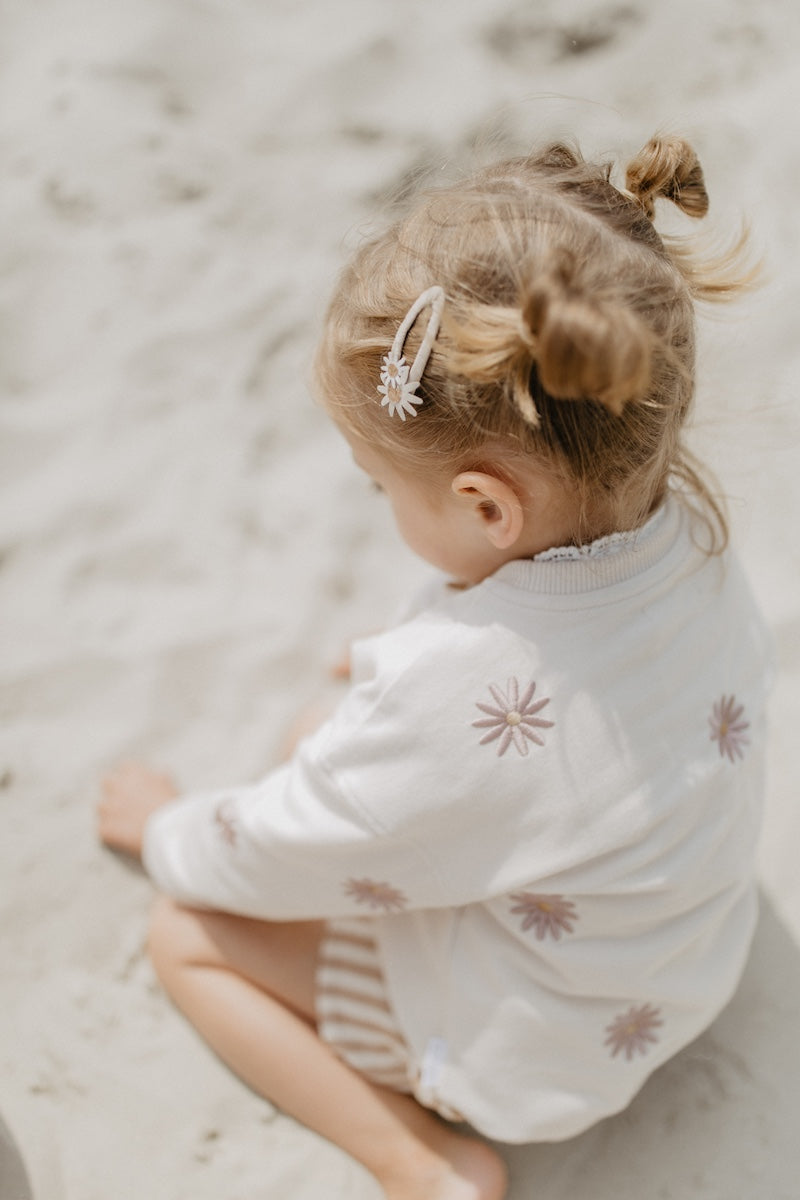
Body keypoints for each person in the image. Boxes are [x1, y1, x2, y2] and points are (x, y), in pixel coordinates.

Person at [98, 134, 770, 1200]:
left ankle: (420, 1159)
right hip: (680, 955)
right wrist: (401, 687)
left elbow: (288, 847)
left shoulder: (460, 700)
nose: (378, 502)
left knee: (184, 930)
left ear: (485, 507)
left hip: (542, 1045)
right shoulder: (684, 522)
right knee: (326, 733)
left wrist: (169, 832)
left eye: (380, 487)